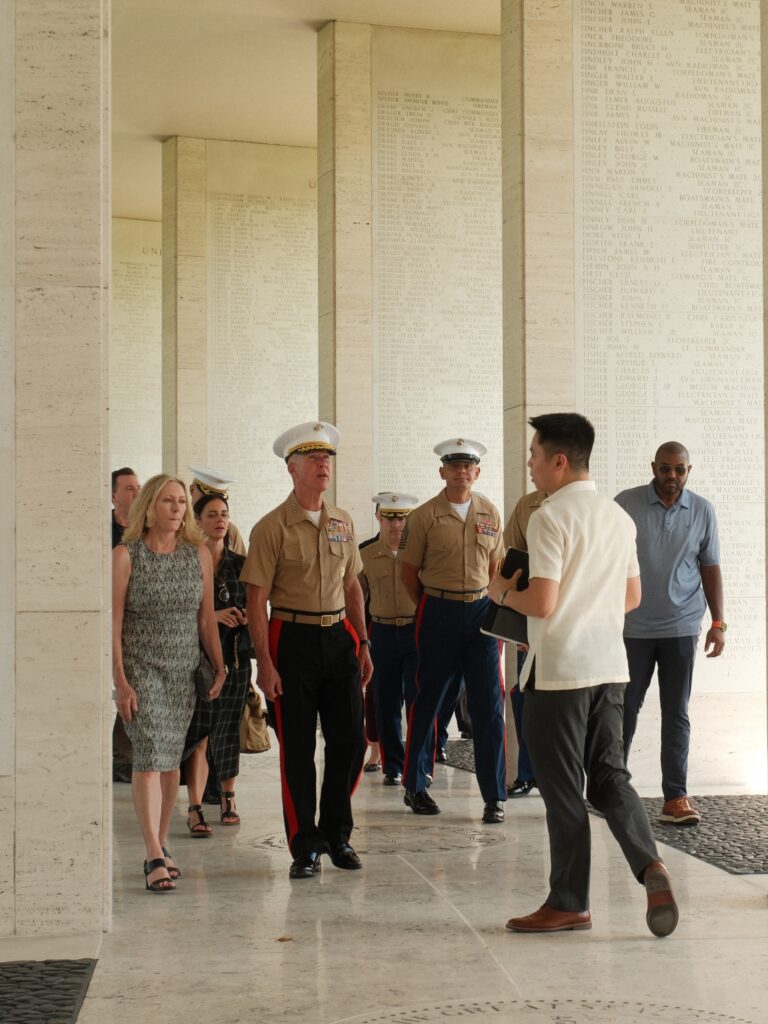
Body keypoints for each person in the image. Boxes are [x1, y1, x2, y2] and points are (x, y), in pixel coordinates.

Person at [491, 413, 677, 937]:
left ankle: (569, 901)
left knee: (564, 789)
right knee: (611, 777)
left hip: (559, 674)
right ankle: (650, 865)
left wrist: (500, 593)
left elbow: (543, 602)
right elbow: (633, 597)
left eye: (533, 456)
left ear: (559, 460)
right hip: (610, 669)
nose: (529, 466)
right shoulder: (619, 518)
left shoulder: (549, 517)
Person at [243, 421, 372, 879]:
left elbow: (353, 584)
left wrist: (364, 641)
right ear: (292, 469)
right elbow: (256, 600)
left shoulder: (342, 521)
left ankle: (337, 833)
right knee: (297, 749)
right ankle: (305, 844)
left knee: (351, 741)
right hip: (291, 639)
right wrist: (266, 664)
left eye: (327, 459)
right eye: (314, 459)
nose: (324, 465)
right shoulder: (271, 527)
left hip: (339, 638)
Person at [112, 475, 225, 893]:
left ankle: (162, 842)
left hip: (182, 669)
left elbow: (206, 618)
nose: (177, 508)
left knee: (171, 758)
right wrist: (120, 680)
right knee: (149, 753)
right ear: (149, 506)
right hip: (142, 669)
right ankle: (152, 853)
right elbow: (114, 623)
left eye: (181, 502)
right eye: (167, 501)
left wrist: (220, 665)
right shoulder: (126, 555)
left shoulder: (197, 555)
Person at [615, 442, 725, 826]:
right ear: (653, 468)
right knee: (623, 709)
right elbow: (605, 561)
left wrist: (718, 622)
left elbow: (710, 567)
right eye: (665, 469)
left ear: (688, 470)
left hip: (681, 628)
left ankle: (675, 797)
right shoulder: (625, 504)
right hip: (632, 629)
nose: (672, 477)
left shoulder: (703, 510)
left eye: (679, 470)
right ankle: (611, 789)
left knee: (676, 712)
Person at [400, 438, 506, 823]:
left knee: (490, 705)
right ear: (442, 472)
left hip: (480, 611)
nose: (462, 472)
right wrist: (434, 605)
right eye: (455, 466)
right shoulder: (424, 516)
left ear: (477, 473)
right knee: (428, 700)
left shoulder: (490, 513)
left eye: (469, 467)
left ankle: (494, 796)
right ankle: (414, 786)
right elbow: (408, 575)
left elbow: (496, 568)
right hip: (438, 610)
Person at [182, 492, 253, 834]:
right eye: (211, 514)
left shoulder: (241, 563)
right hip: (197, 661)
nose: (219, 520)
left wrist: (244, 616)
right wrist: (215, 615)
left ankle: (228, 797)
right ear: (197, 521)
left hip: (235, 658)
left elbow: (257, 607)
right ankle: (195, 807)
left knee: (227, 729)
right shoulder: (188, 561)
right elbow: (181, 614)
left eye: (224, 513)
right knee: (200, 734)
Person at [359, 492, 420, 786]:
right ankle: (393, 765)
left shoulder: (421, 552)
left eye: (402, 517)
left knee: (417, 700)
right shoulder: (365, 555)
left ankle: (418, 765)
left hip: (415, 631)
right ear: (379, 518)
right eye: (389, 517)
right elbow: (357, 600)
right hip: (381, 632)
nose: (396, 524)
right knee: (385, 700)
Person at [502, 490, 547, 797]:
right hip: (531, 615)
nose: (533, 465)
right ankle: (528, 773)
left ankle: (557, 777)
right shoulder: (526, 505)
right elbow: (515, 566)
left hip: (566, 619)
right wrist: (519, 628)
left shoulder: (583, 505)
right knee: (525, 696)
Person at [111, 467, 141, 784]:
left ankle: (125, 756)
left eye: (139, 487)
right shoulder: (101, 530)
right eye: (130, 488)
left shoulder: (146, 530)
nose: (136, 492)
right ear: (114, 495)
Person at [189, 466, 247, 556]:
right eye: (207, 497)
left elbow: (242, 567)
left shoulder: (230, 531)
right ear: (192, 490)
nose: (212, 503)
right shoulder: (177, 526)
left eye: (219, 499)